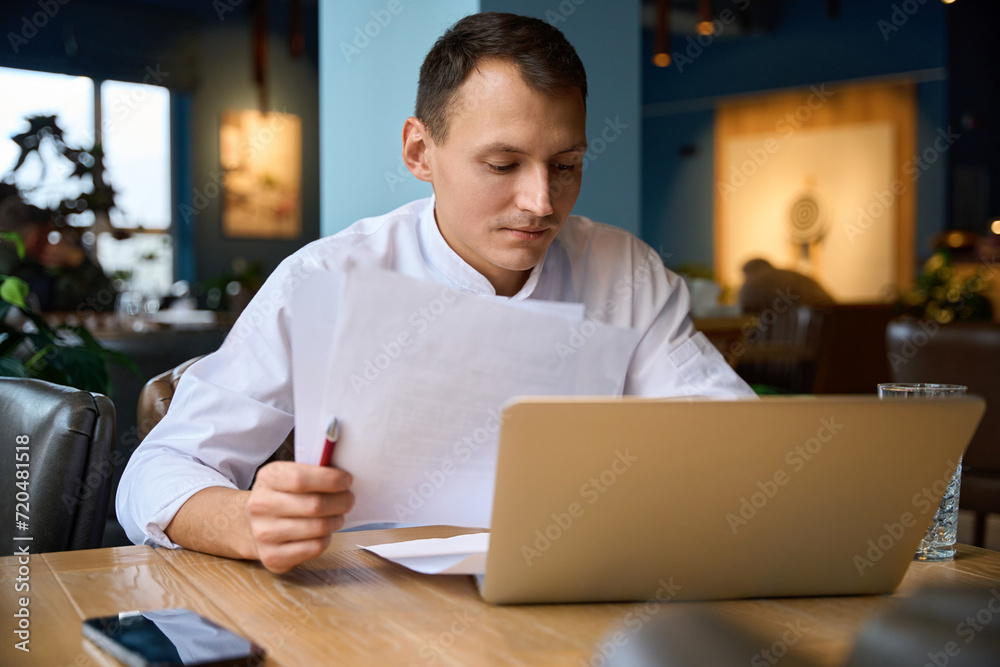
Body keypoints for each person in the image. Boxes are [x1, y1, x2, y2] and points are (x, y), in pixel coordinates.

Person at [118, 12, 754, 574]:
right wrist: (245, 519)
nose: (540, 202)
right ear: (420, 151)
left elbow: (734, 442)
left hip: (575, 595)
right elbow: (155, 471)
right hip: (365, 605)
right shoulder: (326, 278)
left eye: (565, 165)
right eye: (502, 165)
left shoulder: (625, 272)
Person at [0, 186, 114, 312]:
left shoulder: (19, 269)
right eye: (48, 237)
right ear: (34, 241)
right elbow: (108, 302)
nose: (52, 243)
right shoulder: (30, 279)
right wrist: (78, 261)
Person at [738, 258, 835, 313]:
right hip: (834, 321)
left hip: (795, 339)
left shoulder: (752, 285)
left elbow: (744, 308)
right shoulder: (789, 274)